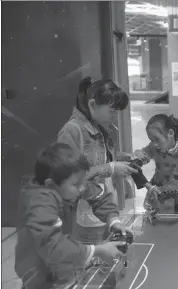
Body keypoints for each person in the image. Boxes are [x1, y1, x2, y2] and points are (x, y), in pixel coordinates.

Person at [15, 143, 132, 289]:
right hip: (37, 274)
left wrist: (114, 221)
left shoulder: (66, 185)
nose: (82, 188)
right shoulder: (38, 203)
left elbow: (99, 196)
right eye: (77, 184)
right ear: (51, 185)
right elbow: (53, 247)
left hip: (62, 268)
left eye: (83, 181)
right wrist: (98, 250)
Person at [57, 77, 140, 241]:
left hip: (103, 212)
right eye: (112, 111)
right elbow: (68, 177)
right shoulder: (72, 131)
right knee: (87, 262)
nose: (115, 116)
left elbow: (101, 158)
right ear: (92, 104)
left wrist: (122, 158)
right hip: (82, 217)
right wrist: (111, 168)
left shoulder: (100, 127)